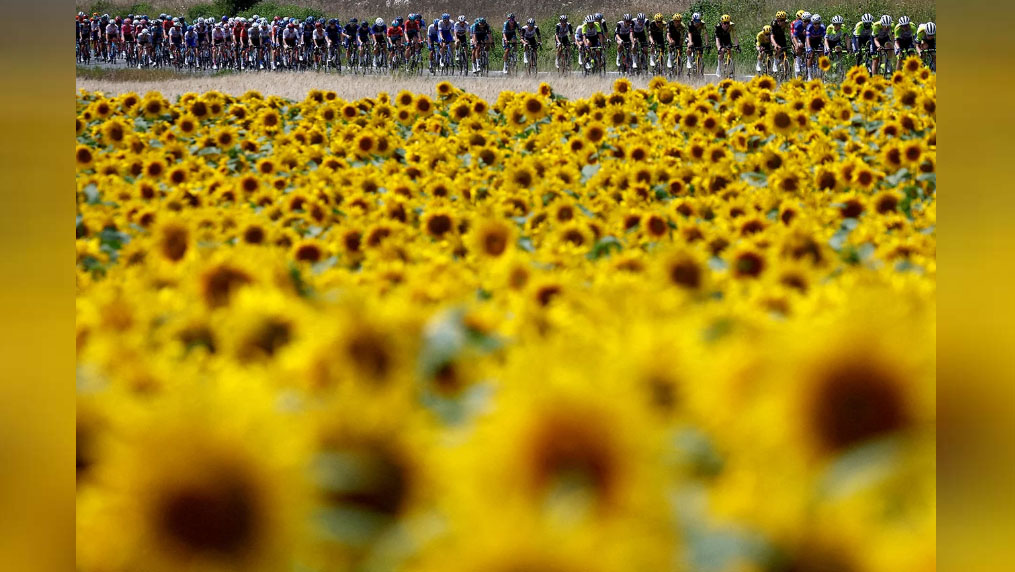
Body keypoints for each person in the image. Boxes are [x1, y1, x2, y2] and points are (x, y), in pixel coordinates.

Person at [804, 14, 825, 79]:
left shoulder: (822, 27)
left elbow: (825, 38)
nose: (817, 25)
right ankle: (809, 76)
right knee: (811, 55)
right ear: (812, 23)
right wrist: (809, 47)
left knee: (822, 54)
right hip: (810, 42)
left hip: (818, 41)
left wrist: (826, 47)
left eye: (818, 23)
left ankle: (821, 74)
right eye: (815, 24)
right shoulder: (809, 27)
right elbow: (807, 38)